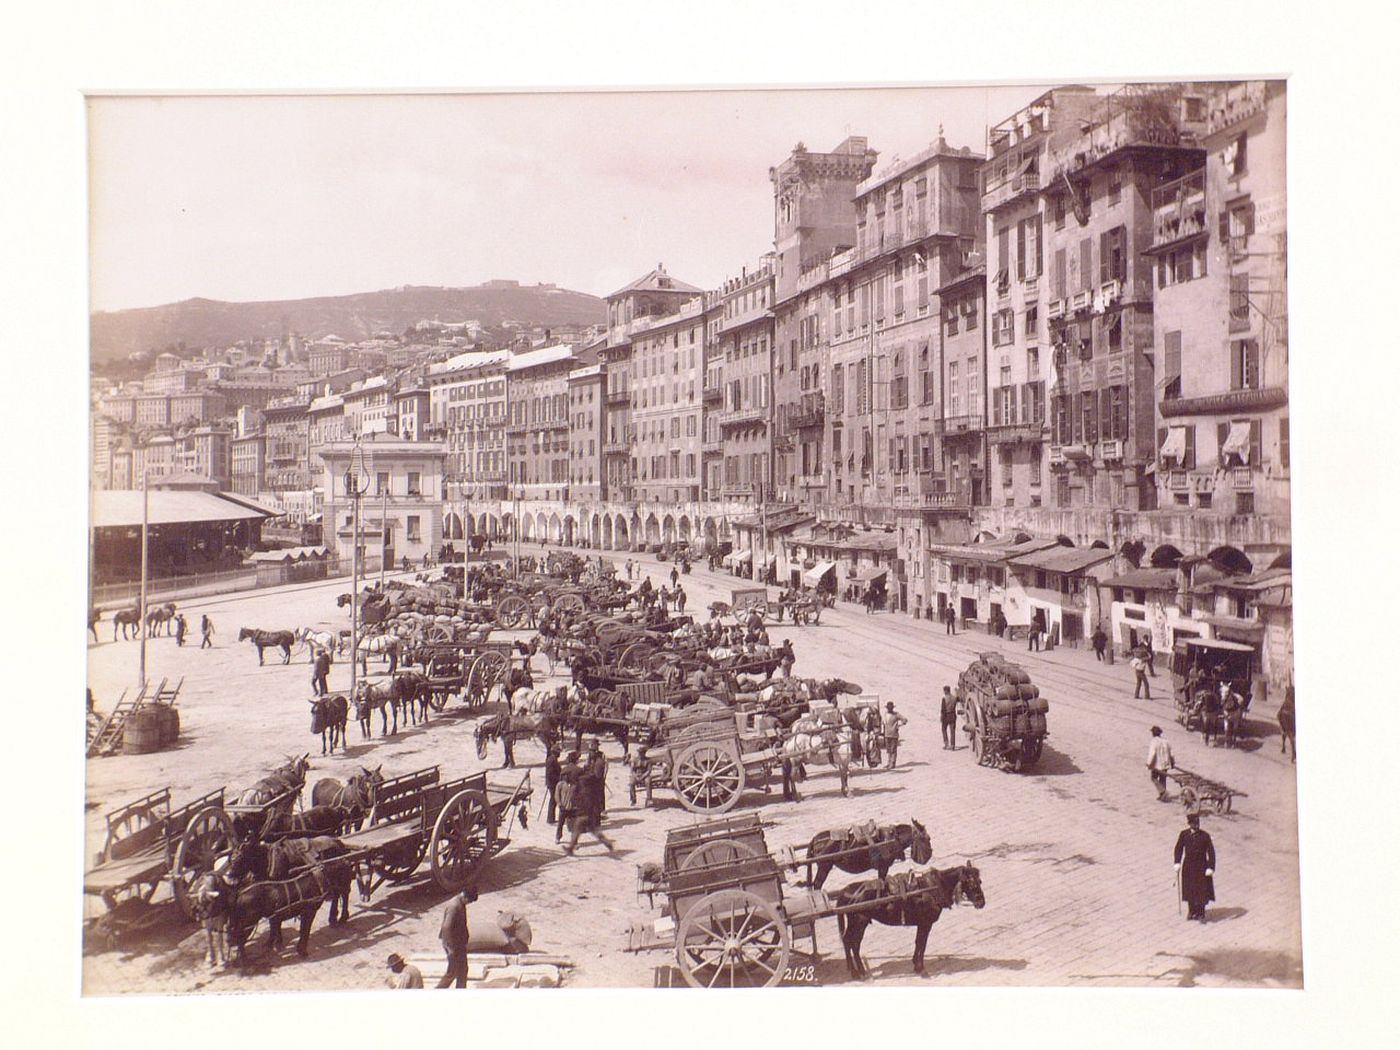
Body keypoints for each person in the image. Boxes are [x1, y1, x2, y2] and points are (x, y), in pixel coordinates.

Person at [1173, 811, 1216, 921]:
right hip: (1189, 866)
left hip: (1202, 866)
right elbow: (1178, 848)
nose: (1196, 826)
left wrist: (1211, 867)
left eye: (1198, 824)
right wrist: (1177, 862)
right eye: (1194, 824)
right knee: (1190, 889)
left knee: (1202, 890)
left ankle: (1201, 913)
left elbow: (1211, 852)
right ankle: (1192, 911)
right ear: (1190, 824)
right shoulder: (1184, 834)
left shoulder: (1205, 836)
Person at [436, 886, 477, 988]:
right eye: (469, 901)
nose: (469, 904)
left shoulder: (460, 903)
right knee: (452, 972)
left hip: (458, 942)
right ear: (465, 897)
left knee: (463, 969)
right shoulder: (454, 906)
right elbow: (446, 927)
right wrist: (450, 948)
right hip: (452, 944)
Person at [555, 751, 581, 844]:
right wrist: (559, 804)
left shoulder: (574, 786)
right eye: (564, 776)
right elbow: (557, 795)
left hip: (573, 808)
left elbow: (578, 795)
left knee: (574, 825)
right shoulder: (561, 785)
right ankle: (558, 837)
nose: (566, 777)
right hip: (563, 808)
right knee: (560, 824)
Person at [1147, 725, 1175, 801]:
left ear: (1153, 733)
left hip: (1157, 764)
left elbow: (1152, 753)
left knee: (1153, 778)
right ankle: (1163, 796)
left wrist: (1149, 763)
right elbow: (1172, 753)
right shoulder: (1166, 741)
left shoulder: (1153, 741)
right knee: (1163, 779)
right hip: (1166, 763)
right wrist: (1172, 762)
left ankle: (1163, 792)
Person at [880, 702, 909, 769]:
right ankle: (889, 763)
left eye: (890, 708)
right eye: (888, 708)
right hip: (887, 735)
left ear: (892, 708)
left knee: (893, 750)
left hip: (894, 735)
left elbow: (905, 720)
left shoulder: (896, 715)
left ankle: (892, 764)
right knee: (888, 750)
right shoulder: (885, 714)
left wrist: (899, 725)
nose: (889, 709)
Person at [544, 744, 562, 826]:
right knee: (553, 800)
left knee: (553, 800)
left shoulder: (552, 759)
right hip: (552, 783)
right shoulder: (552, 760)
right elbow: (551, 774)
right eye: (558, 752)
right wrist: (558, 778)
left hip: (551, 782)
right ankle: (550, 818)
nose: (559, 754)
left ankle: (551, 818)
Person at [940, 686, 959, 750]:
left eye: (944, 691)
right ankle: (953, 745)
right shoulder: (954, 698)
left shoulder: (944, 699)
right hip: (953, 715)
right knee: (952, 731)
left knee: (943, 729)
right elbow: (958, 699)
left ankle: (946, 744)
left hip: (946, 716)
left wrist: (941, 717)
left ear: (946, 691)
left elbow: (943, 709)